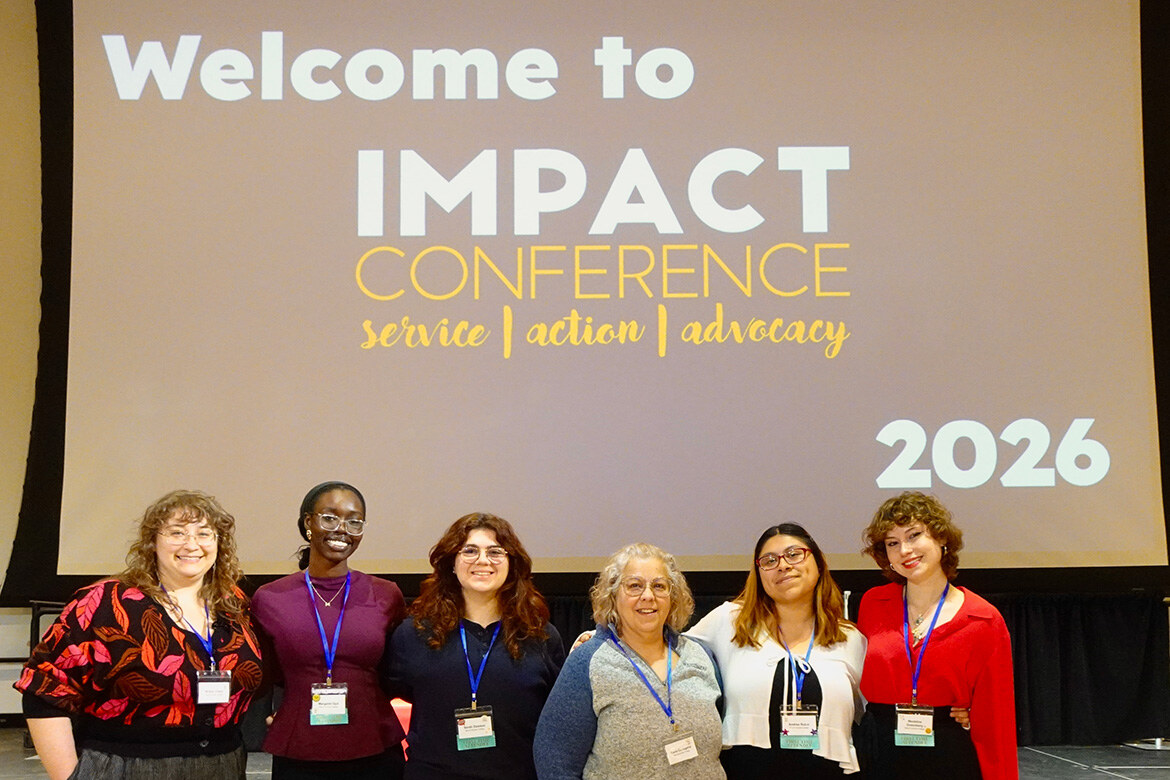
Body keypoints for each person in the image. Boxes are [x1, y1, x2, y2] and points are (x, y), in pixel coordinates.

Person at [15, 489, 262, 780]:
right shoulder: (106, 603)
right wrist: (70, 777)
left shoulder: (233, 603)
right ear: (152, 542)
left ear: (219, 543)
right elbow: (43, 691)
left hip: (223, 766)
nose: (192, 544)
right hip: (126, 767)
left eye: (204, 533)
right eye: (177, 532)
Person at [386, 512, 564, 779]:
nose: (483, 560)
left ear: (511, 565)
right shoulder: (414, 633)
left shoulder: (540, 636)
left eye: (495, 552)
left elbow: (558, 716)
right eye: (470, 551)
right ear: (452, 564)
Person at [251, 481, 408, 779]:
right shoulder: (269, 598)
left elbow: (396, 672)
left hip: (373, 746)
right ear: (308, 522)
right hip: (300, 747)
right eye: (330, 517)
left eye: (354, 521)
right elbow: (267, 675)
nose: (342, 529)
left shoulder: (387, 594)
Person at [857, 491, 1017, 779]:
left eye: (914, 535)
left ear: (941, 539)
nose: (904, 550)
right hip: (879, 751)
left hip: (947, 753)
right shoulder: (873, 604)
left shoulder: (982, 619)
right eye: (893, 543)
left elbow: (996, 721)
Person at [687, 523, 866, 778]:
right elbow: (668, 654)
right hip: (745, 769)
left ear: (818, 563)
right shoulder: (730, 621)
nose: (782, 565)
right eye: (769, 561)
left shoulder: (850, 638)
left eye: (794, 554)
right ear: (758, 573)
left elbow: (876, 705)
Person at [534, 542, 725, 779]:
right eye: (634, 586)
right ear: (612, 596)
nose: (648, 596)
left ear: (673, 597)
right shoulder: (587, 663)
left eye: (659, 586)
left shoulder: (700, 656)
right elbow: (555, 760)